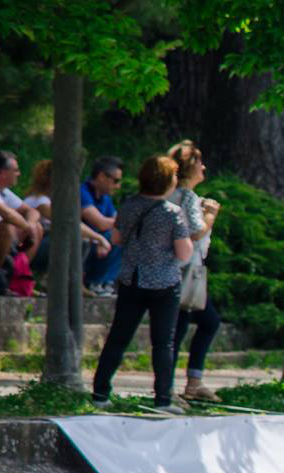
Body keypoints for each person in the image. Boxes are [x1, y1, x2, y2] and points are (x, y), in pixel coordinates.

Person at [88, 156, 193, 411]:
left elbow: (116, 237)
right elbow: (184, 253)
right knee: (163, 343)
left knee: (118, 338)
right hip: (164, 284)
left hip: (131, 279)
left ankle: (100, 393)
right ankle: (163, 399)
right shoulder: (173, 213)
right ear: (167, 181)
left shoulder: (129, 205)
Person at [165, 141, 223, 402]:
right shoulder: (186, 195)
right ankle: (174, 387)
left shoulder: (173, 194)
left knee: (198, 323)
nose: (204, 167)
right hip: (186, 271)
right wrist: (211, 214)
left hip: (181, 270)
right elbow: (196, 231)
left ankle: (191, 382)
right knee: (181, 328)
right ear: (190, 167)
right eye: (200, 163)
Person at [80, 157, 122, 295]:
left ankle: (106, 282)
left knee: (120, 235)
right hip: (82, 243)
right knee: (112, 236)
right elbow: (100, 222)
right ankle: (94, 282)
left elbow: (116, 222)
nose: (118, 186)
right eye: (116, 181)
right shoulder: (82, 192)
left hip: (97, 242)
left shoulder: (105, 198)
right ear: (102, 176)